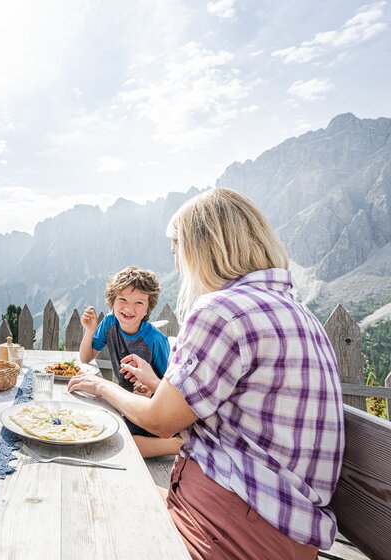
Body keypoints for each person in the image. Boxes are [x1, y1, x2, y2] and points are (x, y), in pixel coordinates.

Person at [68, 188, 344, 559]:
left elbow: (161, 420)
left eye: (178, 253)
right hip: (278, 528)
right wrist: (158, 383)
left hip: (229, 524)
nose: (179, 266)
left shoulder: (222, 309)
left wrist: (100, 386)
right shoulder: (299, 312)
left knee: (82, 508)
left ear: (203, 249)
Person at [78, 266, 180, 458]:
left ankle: (175, 445)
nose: (128, 308)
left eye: (139, 303)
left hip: (152, 410)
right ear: (112, 302)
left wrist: (149, 389)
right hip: (125, 402)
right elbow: (85, 357)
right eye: (122, 299)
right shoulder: (109, 323)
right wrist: (90, 331)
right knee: (98, 426)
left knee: (113, 438)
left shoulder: (155, 340)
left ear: (147, 309)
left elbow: (170, 388)